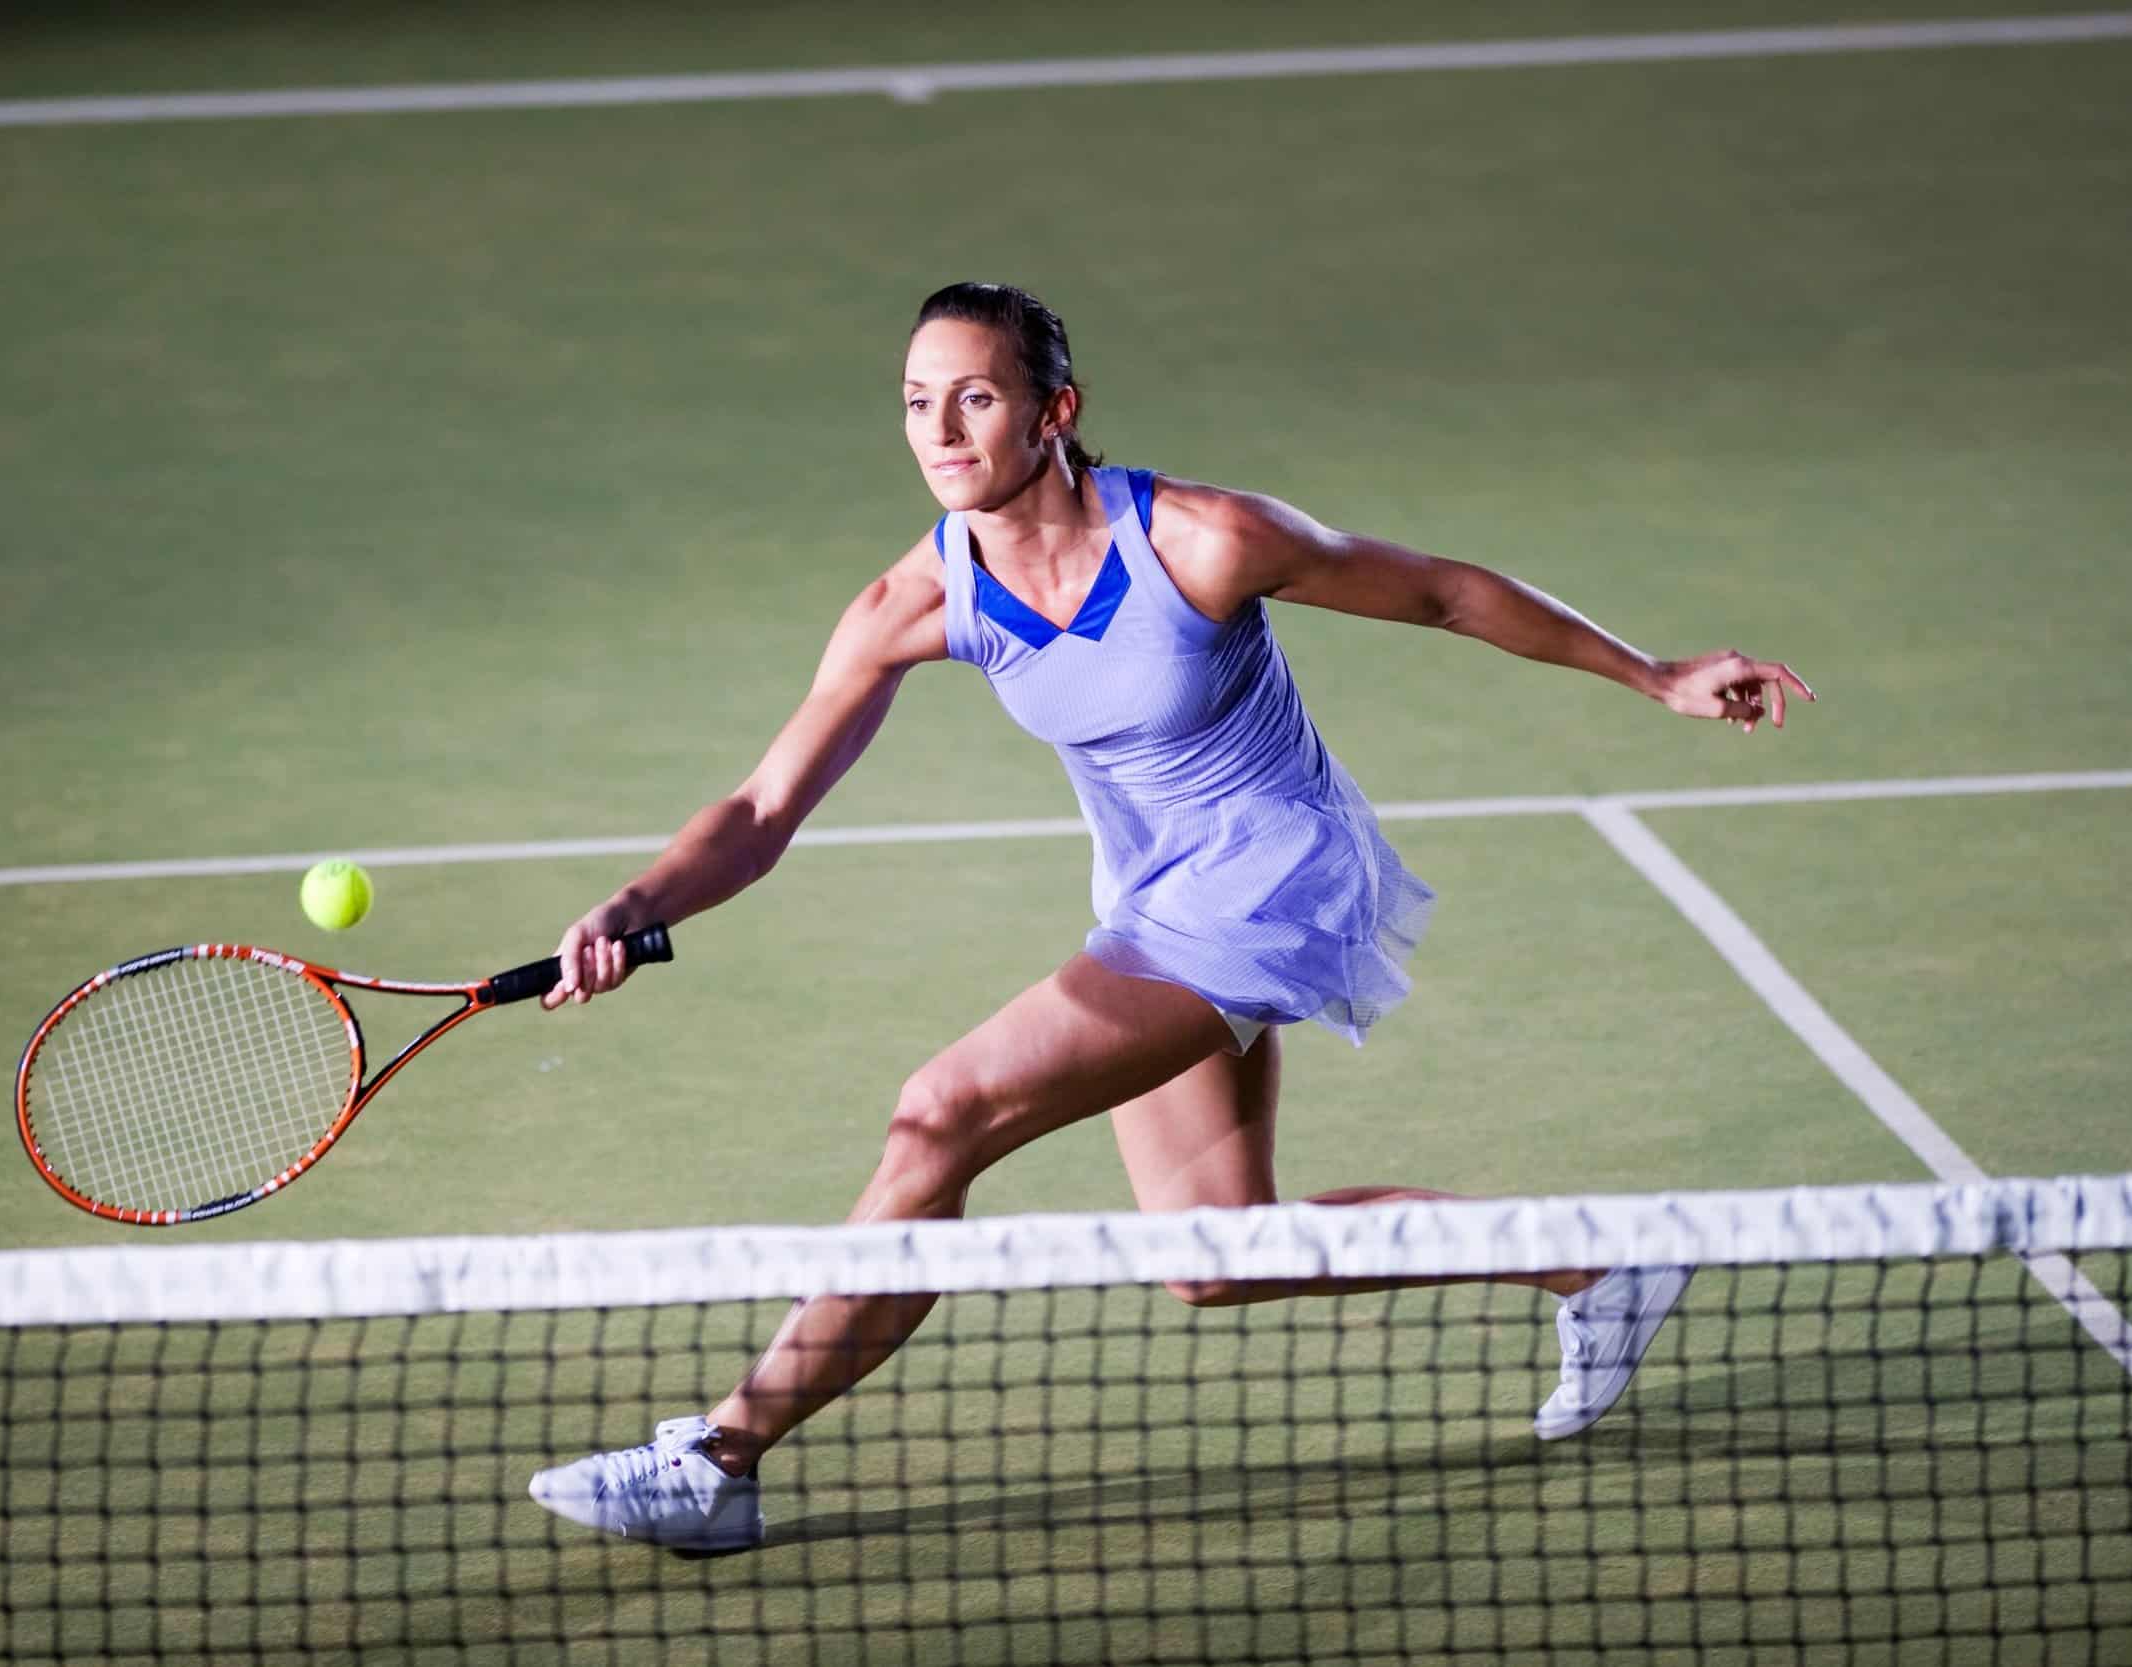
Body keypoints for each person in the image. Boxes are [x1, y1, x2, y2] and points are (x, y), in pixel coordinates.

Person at [524, 282, 1811, 1551]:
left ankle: (721, 1456)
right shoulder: (918, 599)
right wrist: (636, 905)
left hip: (1272, 880)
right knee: (1217, 1256)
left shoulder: (1198, 538)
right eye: (917, 402)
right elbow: (760, 809)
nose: (941, 429)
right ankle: (1599, 1260)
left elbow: (1441, 592)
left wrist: (1654, 674)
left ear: (1055, 410)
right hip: (1150, 902)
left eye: (976, 394)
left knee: (940, 1112)